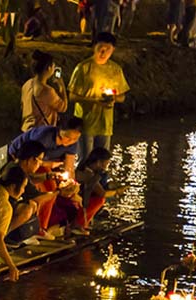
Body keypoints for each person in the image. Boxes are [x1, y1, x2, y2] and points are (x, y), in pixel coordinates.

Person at [68, 32, 129, 160]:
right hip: (85, 123)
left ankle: (100, 181)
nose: (103, 52)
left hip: (105, 124)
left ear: (113, 50)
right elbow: (72, 96)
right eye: (100, 47)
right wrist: (95, 101)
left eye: (107, 49)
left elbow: (122, 96)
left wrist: (114, 98)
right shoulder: (83, 68)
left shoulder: (115, 69)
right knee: (85, 160)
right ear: (94, 47)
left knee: (102, 162)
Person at [0, 166, 29, 281]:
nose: (23, 191)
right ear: (13, 186)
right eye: (23, 187)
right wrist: (11, 265)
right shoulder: (5, 206)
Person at [74, 147, 127, 229]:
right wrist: (117, 191)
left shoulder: (89, 168)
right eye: (106, 163)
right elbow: (102, 193)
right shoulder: (87, 173)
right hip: (80, 199)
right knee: (101, 199)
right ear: (98, 162)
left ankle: (88, 219)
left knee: (109, 197)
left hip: (83, 196)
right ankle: (80, 223)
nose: (106, 166)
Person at [20, 50, 68, 132]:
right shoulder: (47, 91)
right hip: (41, 132)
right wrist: (61, 86)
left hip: (26, 131)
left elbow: (22, 106)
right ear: (49, 68)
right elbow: (63, 107)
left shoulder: (26, 85)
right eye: (53, 66)